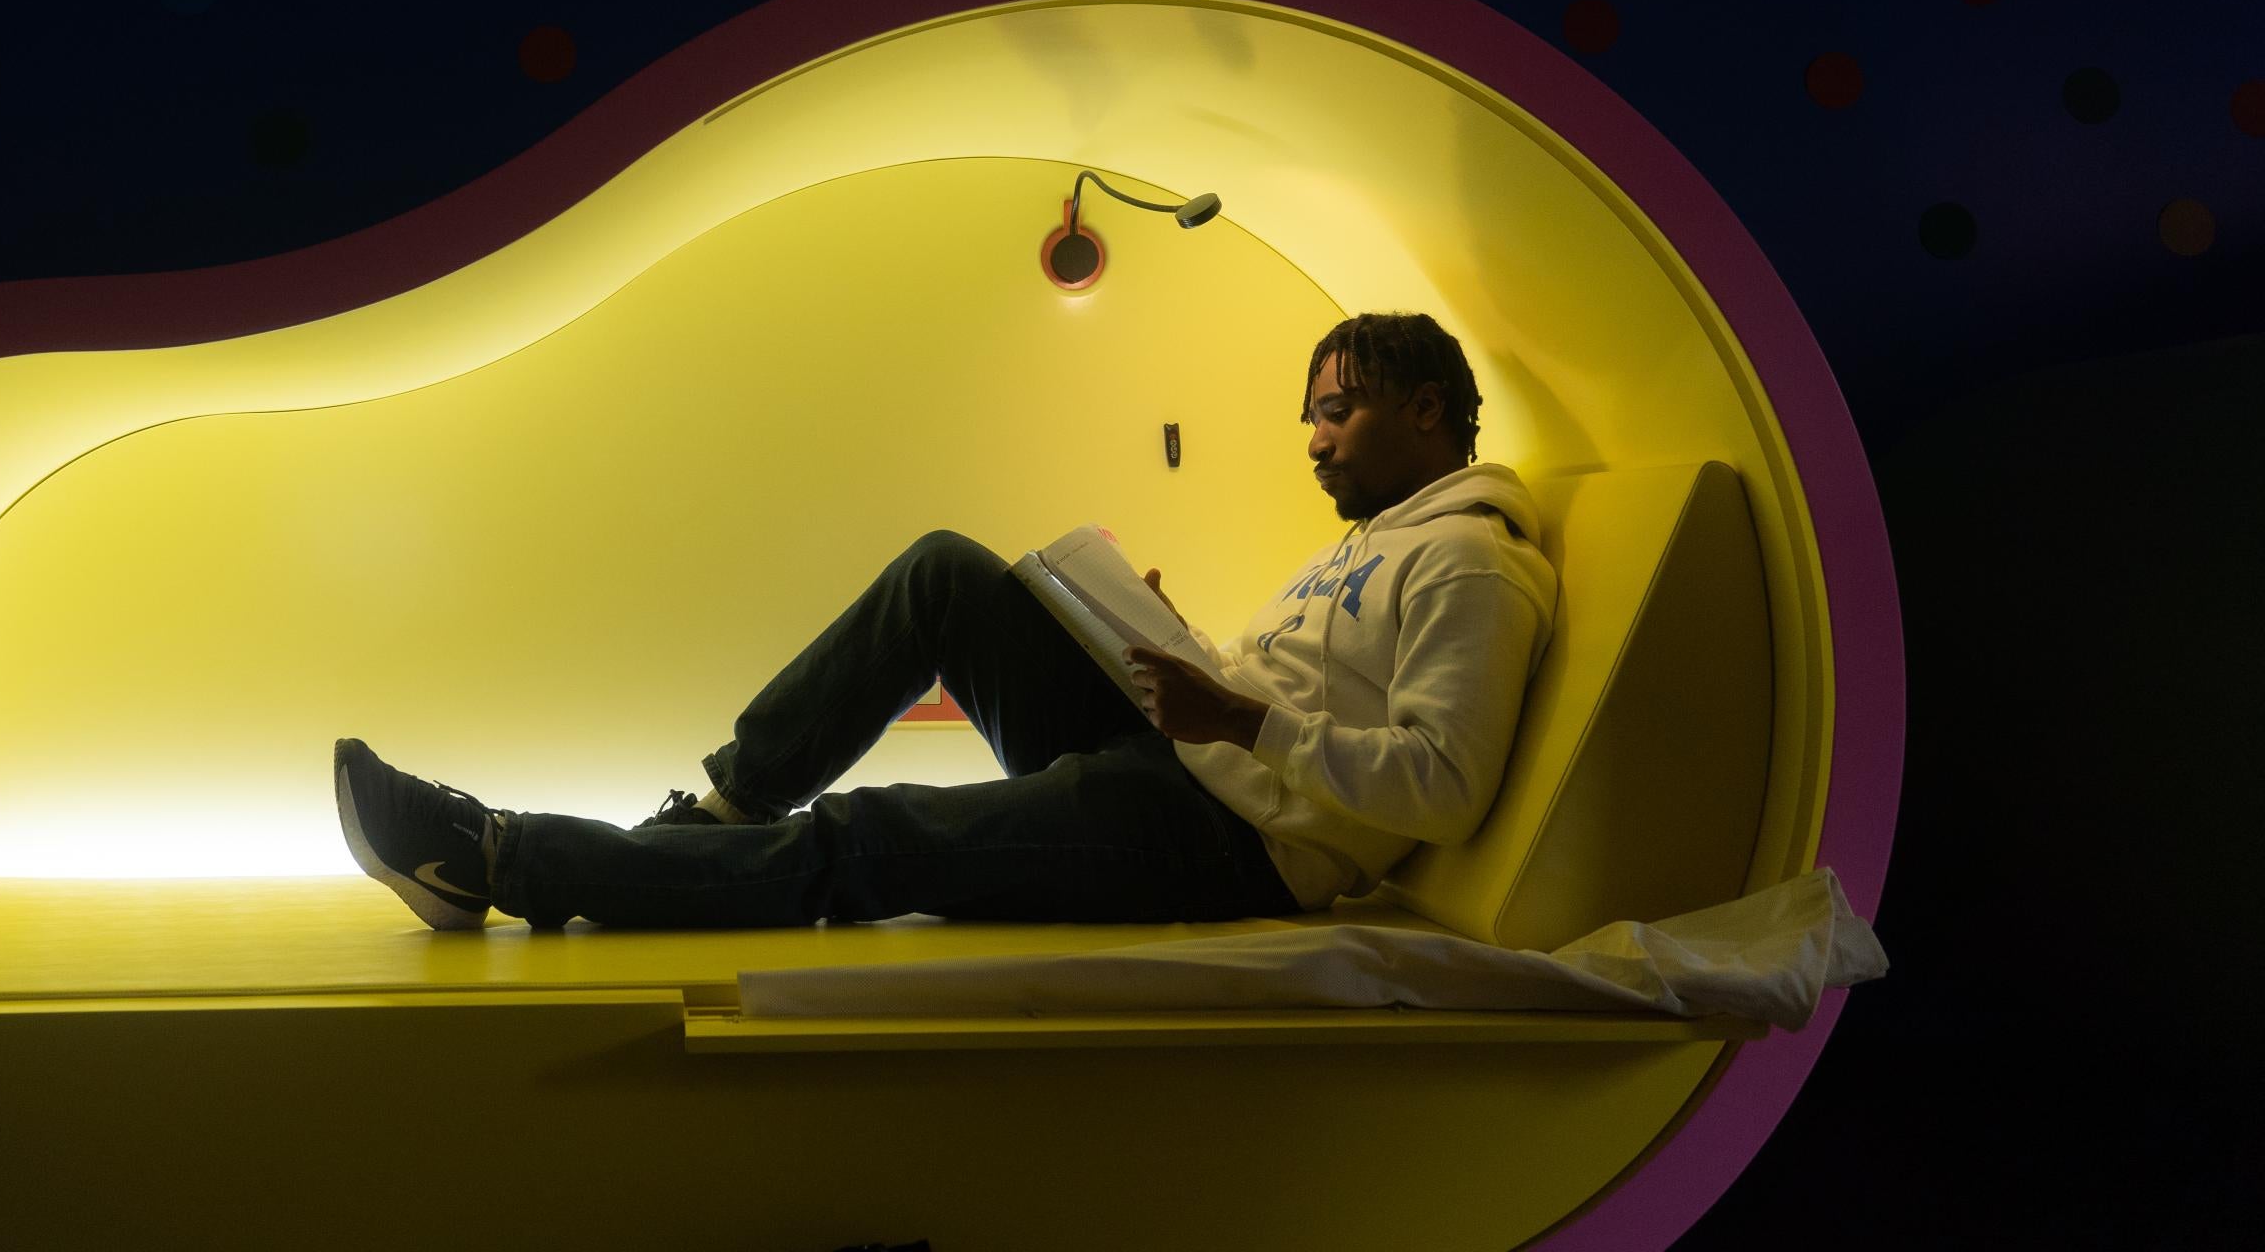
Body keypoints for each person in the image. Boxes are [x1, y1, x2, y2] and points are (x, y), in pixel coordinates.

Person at [334, 310, 1558, 931]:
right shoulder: (1366, 544)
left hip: (1233, 841)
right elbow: (1300, 696)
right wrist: (1190, 651)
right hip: (1193, 753)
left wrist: (1240, 713)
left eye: (1339, 408)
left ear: (1432, 408)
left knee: (875, 835)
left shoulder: (1469, 564)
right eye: (1312, 412)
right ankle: (725, 805)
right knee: (946, 575)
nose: (1313, 435)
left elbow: (1443, 785)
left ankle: (496, 858)